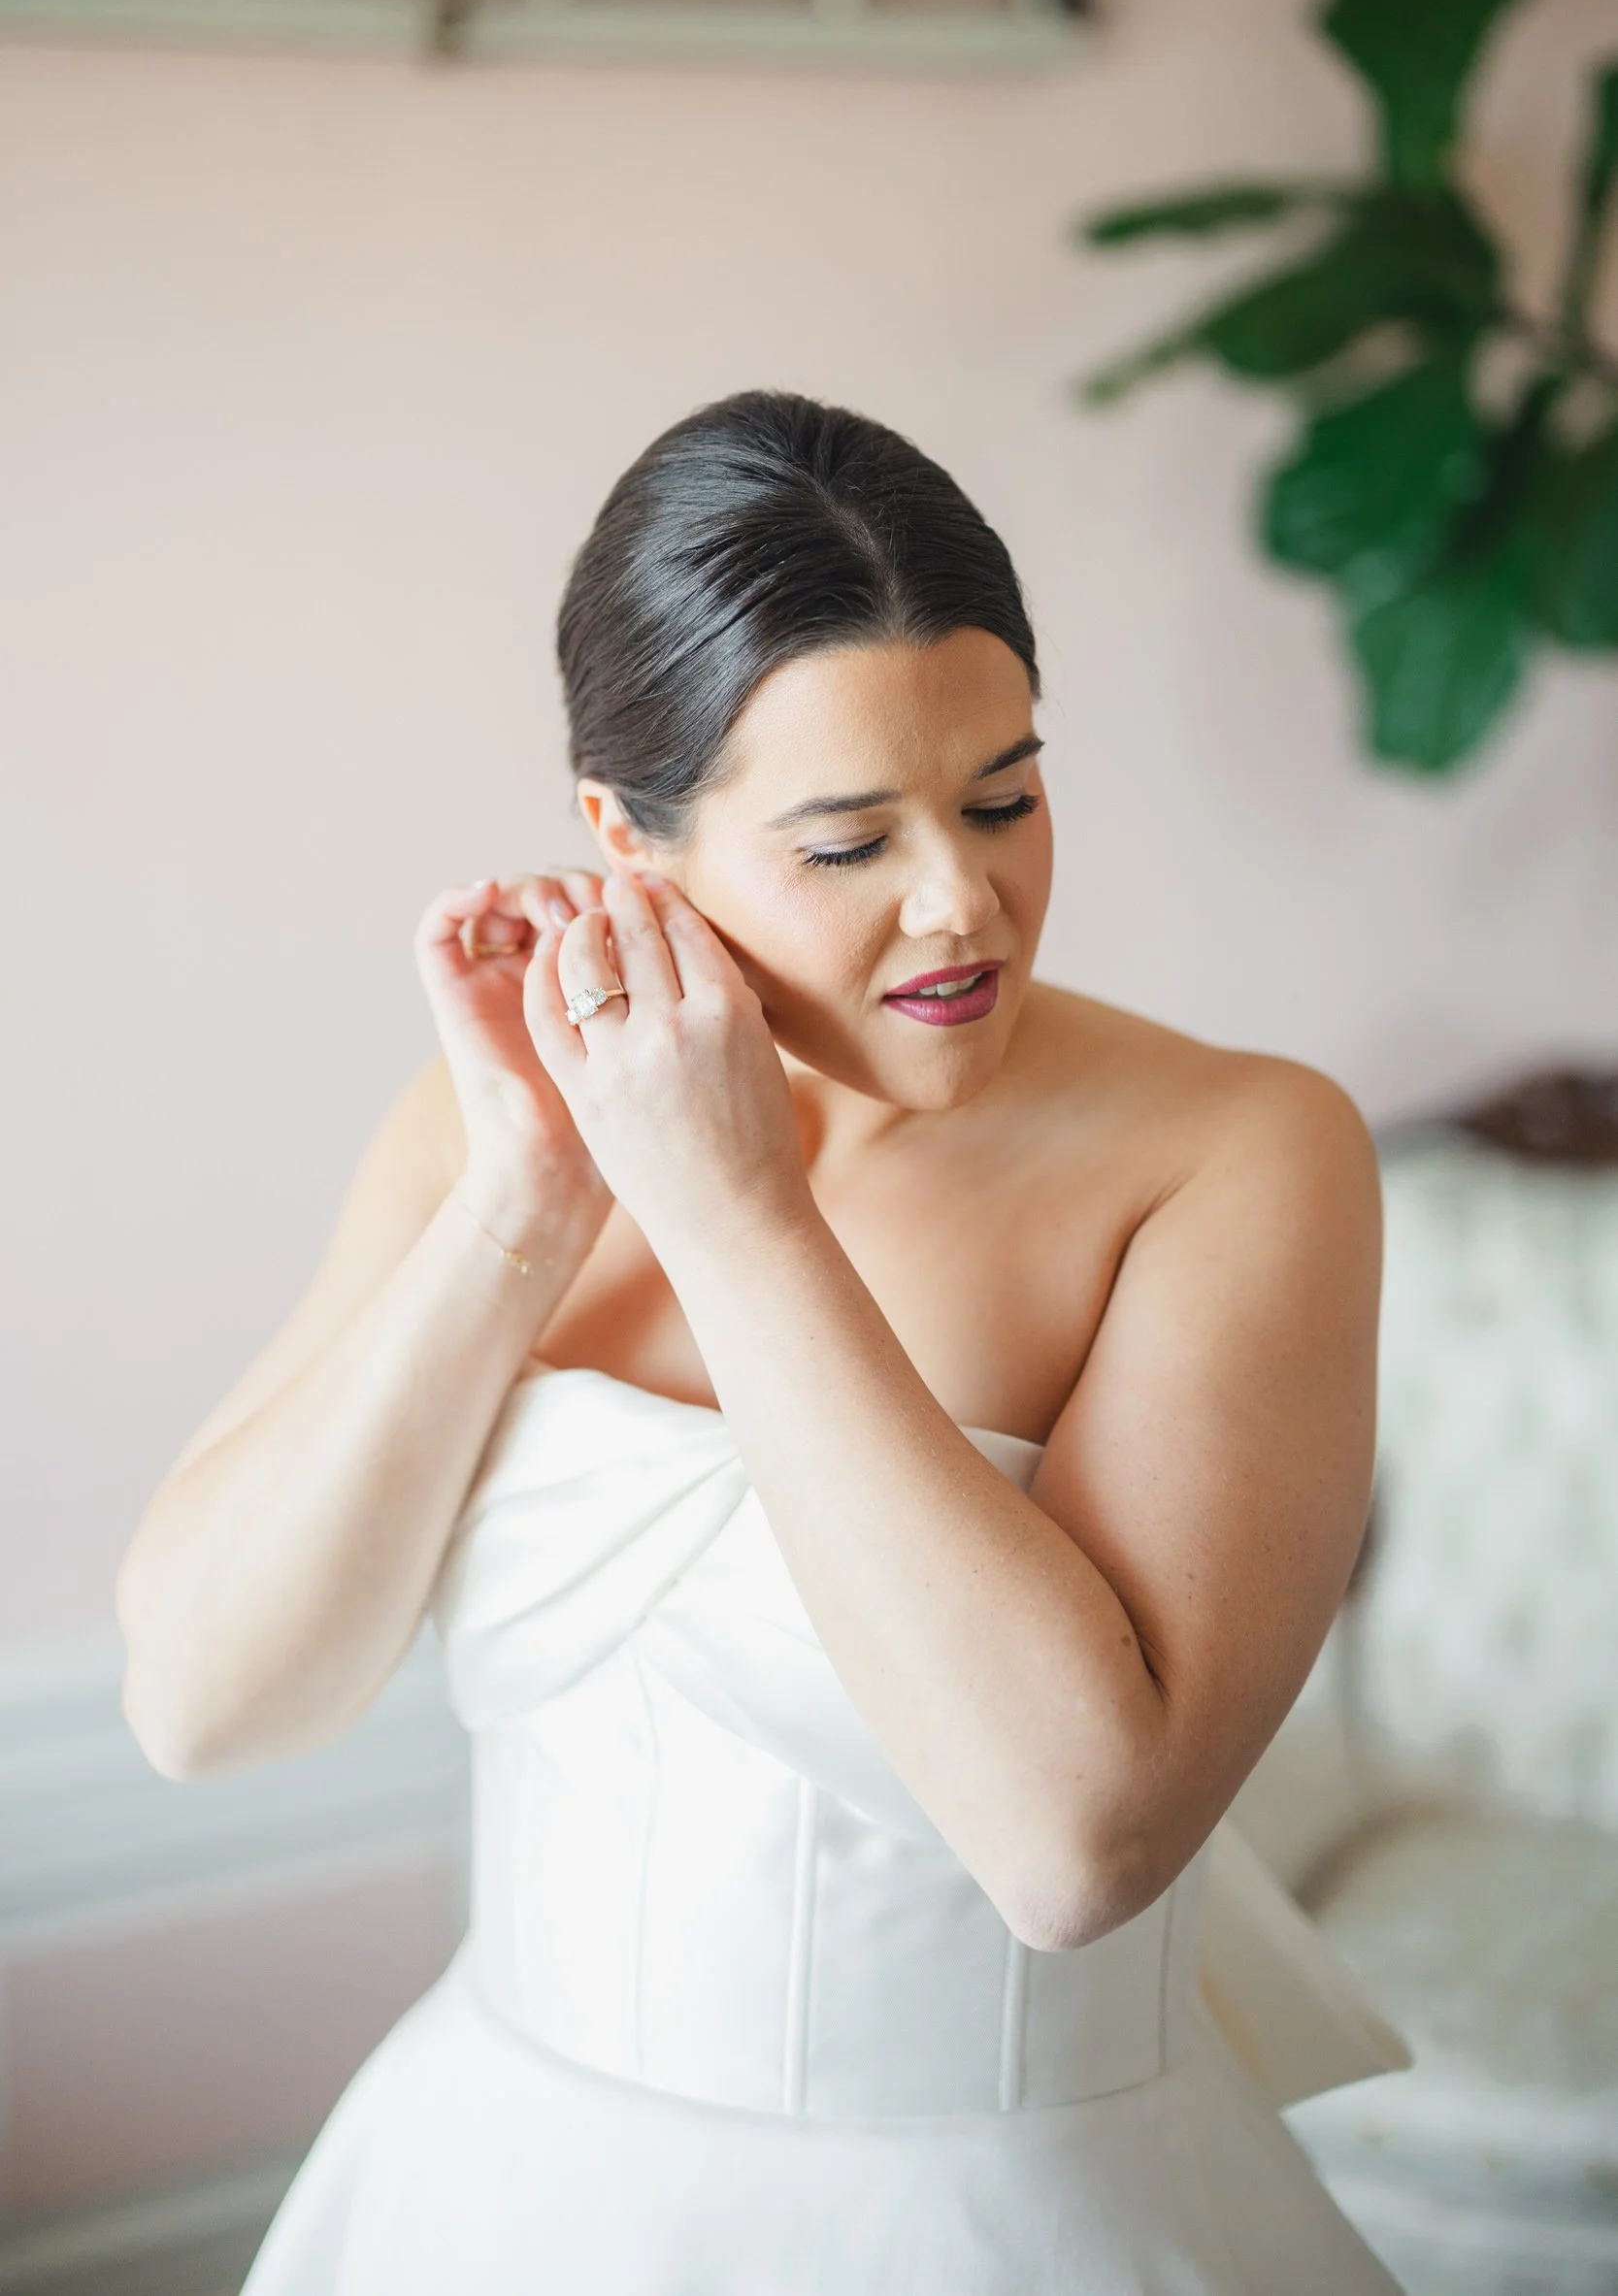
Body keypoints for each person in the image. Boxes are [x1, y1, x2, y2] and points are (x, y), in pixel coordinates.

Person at [116, 391, 1406, 2292]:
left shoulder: (1238, 1152)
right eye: (844, 839)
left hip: (1013, 2215)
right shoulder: (490, 1125)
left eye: (1001, 794)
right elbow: (207, 1704)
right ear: (622, 840)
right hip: (508, 2187)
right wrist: (523, 1205)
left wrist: (736, 1215)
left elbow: (1073, 1842)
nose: (960, 902)